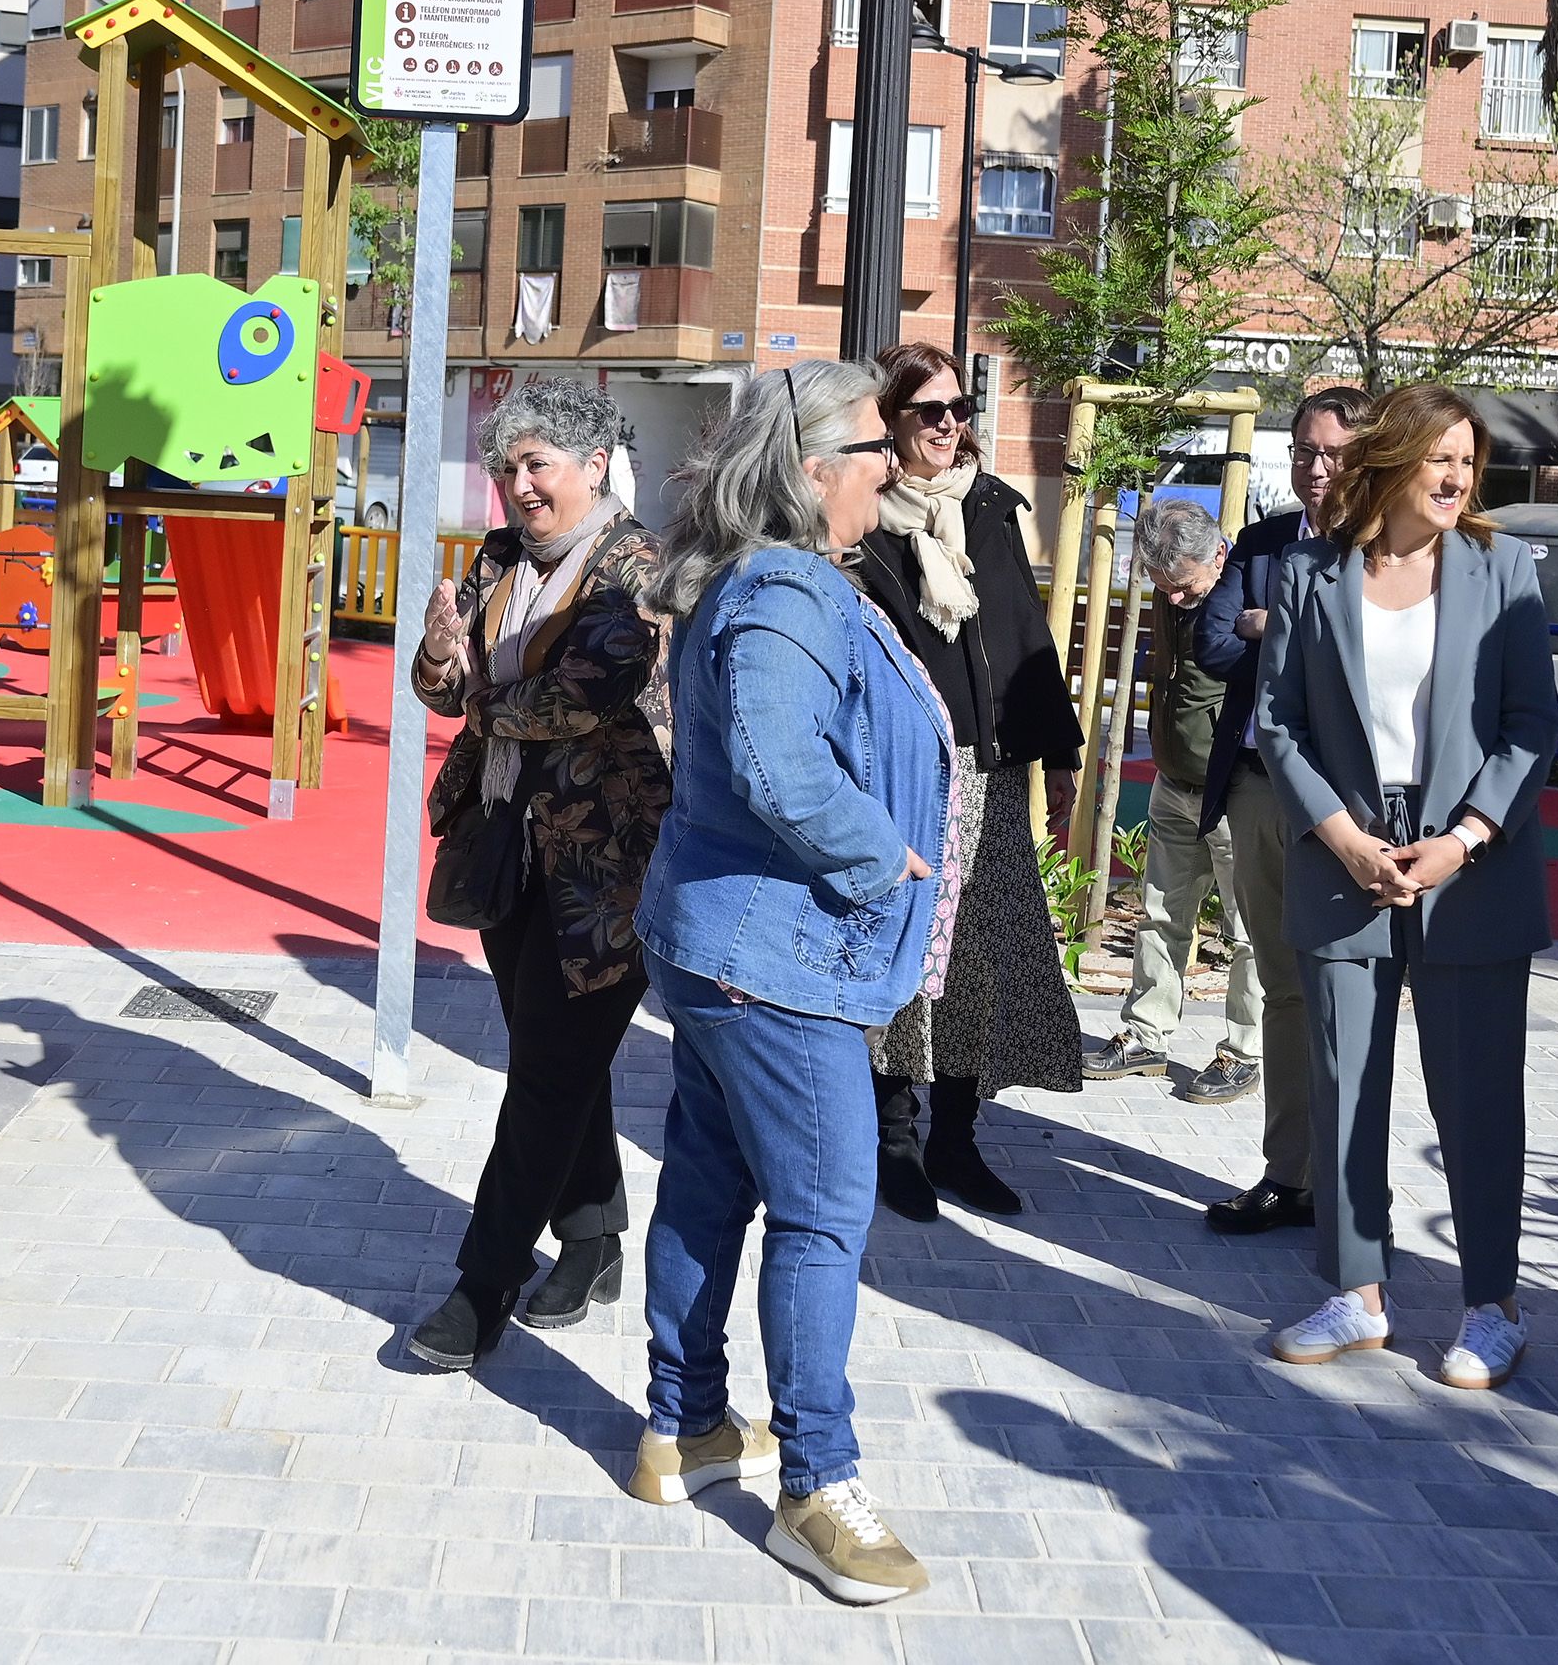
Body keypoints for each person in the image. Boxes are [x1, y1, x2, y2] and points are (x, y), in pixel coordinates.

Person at [626, 361, 953, 1607]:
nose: (897, 464)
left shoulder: (762, 576)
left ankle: (688, 1429)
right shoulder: (789, 587)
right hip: (780, 963)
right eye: (877, 447)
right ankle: (816, 1486)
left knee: (711, 1188)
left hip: (734, 949)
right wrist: (885, 853)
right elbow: (774, 762)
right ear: (816, 470)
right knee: (820, 1214)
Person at [1252, 380, 1558, 1390]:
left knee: (1477, 1096)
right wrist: (1341, 839)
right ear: (1392, 461)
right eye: (1440, 458)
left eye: (1468, 461)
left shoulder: (1503, 566)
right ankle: (1357, 1292)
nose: (1458, 476)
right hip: (1346, 853)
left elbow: (1529, 727)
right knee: (1345, 1087)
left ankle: (1492, 1303)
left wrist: (1462, 838)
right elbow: (1279, 724)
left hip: (1470, 865)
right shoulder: (1309, 570)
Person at [404, 380, 673, 1370]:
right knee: (552, 1060)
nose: (519, 485)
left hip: (608, 870)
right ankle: (596, 1230)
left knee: (546, 1076)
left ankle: (483, 1282)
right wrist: (439, 655)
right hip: (506, 837)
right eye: (507, 468)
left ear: (594, 467)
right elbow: (443, 691)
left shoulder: (635, 570)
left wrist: (479, 697)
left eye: (538, 465)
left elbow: (580, 698)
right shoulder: (497, 562)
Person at [844, 341, 1083, 1220]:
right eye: (928, 412)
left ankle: (957, 1139)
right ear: (889, 424)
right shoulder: (862, 520)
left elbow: (1024, 636)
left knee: (980, 959)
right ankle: (893, 1140)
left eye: (958, 409)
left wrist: (1057, 756)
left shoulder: (988, 506)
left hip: (989, 771)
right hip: (904, 777)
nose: (949, 425)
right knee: (907, 960)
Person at [1186, 383, 1372, 1233]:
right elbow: (1214, 642)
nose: (1315, 467)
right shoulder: (1261, 542)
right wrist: (1272, 619)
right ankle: (1288, 1175)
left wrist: (1278, 620)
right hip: (1261, 790)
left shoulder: (1387, 549)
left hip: (1354, 806)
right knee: (1283, 985)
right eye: (1302, 450)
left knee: (1350, 991)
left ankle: (1350, 1184)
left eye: (1332, 452)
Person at [1088, 498, 1262, 1100]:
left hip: (1235, 787)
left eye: (1186, 589)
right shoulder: (1175, 587)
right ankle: (1146, 1035)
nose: (1176, 600)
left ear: (1218, 554)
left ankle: (1245, 1049)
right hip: (1173, 777)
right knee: (1160, 913)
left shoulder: (1251, 584)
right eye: (1164, 589)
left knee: (1248, 930)